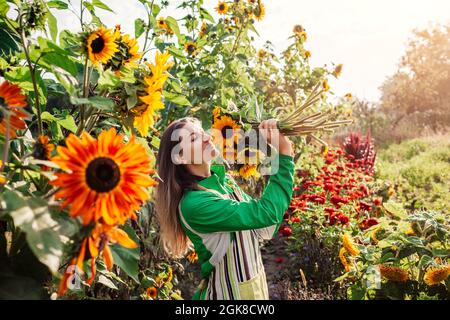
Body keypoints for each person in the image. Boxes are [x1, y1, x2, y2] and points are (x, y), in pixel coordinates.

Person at [154, 117, 295, 300]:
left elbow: (264, 227)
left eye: (202, 132)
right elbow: (266, 213)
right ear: (180, 156)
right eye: (194, 138)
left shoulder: (225, 182)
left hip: (255, 289)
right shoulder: (194, 204)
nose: (206, 137)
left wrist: (277, 152)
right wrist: (284, 157)